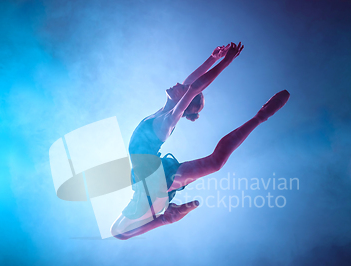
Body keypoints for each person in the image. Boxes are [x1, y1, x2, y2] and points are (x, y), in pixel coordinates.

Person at [111, 42, 290, 240]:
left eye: (184, 90)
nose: (180, 84)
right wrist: (213, 58)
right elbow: (191, 83)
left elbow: (194, 87)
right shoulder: (166, 107)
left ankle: (262, 115)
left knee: (119, 233)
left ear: (185, 100)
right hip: (152, 176)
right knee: (215, 164)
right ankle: (167, 215)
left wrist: (227, 61)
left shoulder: (167, 121)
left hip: (151, 182)